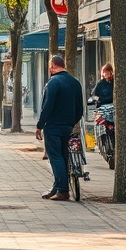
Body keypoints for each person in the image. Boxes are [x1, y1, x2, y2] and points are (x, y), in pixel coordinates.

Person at [35, 54, 84, 201]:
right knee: (63, 156)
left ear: (52, 65)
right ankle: (56, 187)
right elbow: (80, 109)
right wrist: (71, 122)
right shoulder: (75, 83)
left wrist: (40, 125)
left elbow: (47, 106)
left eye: (49, 65)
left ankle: (63, 190)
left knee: (55, 157)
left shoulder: (53, 83)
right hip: (68, 126)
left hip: (53, 126)